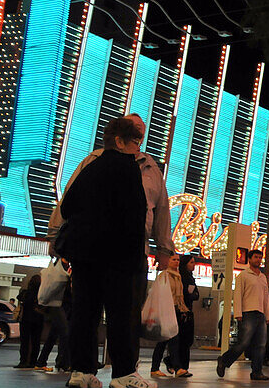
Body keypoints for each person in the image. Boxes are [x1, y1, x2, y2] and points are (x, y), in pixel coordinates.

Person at [50, 113, 176, 374]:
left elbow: (161, 209)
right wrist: (56, 234)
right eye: (135, 134)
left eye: (142, 134)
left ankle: (109, 371)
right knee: (96, 312)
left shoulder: (150, 167)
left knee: (119, 314)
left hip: (123, 249)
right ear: (120, 140)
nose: (139, 139)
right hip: (111, 251)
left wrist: (164, 248)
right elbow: (68, 202)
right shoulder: (96, 161)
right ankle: (101, 371)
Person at [216, 248, 269, 381]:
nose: (258, 260)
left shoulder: (263, 277)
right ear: (250, 259)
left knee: (260, 345)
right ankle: (224, 360)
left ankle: (257, 372)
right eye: (255, 257)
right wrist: (238, 313)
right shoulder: (243, 275)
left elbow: (265, 298)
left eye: (260, 257)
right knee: (243, 343)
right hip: (248, 313)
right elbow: (238, 295)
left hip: (260, 314)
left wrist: (267, 315)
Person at [150, 254, 192, 378]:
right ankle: (177, 368)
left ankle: (156, 368)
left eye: (178, 260)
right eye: (173, 259)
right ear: (167, 261)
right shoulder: (164, 276)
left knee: (164, 341)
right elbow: (157, 294)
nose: (176, 262)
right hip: (165, 310)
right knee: (172, 339)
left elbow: (180, 296)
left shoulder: (177, 276)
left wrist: (183, 309)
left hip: (175, 310)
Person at [35, 271, 72, 373]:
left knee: (53, 336)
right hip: (60, 307)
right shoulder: (63, 275)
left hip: (59, 307)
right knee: (65, 334)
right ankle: (63, 362)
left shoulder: (61, 273)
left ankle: (41, 362)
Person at [14, 275, 43, 370]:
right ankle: (33, 361)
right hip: (38, 319)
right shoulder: (41, 294)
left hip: (26, 320)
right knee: (36, 341)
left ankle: (23, 361)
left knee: (25, 341)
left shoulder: (26, 293)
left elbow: (19, 298)